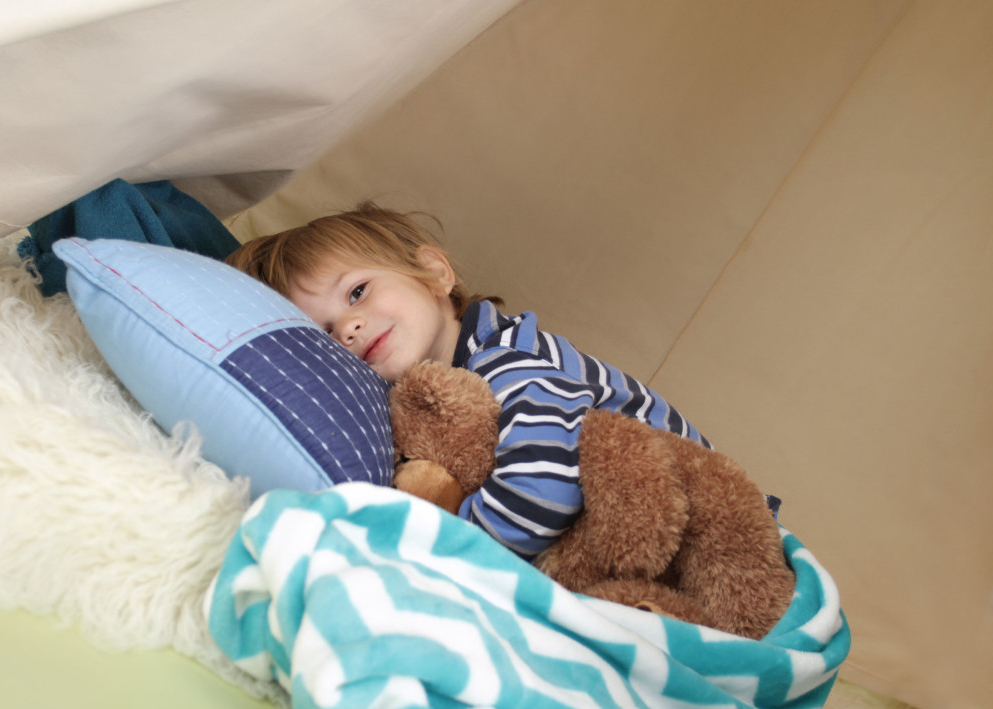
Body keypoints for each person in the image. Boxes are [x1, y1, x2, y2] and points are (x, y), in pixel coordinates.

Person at [227, 202, 712, 561]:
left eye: (357, 291)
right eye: (326, 334)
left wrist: (453, 549)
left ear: (434, 274)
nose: (349, 327)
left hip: (702, 525)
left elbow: (546, 484)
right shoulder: (420, 402)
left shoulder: (505, 358)